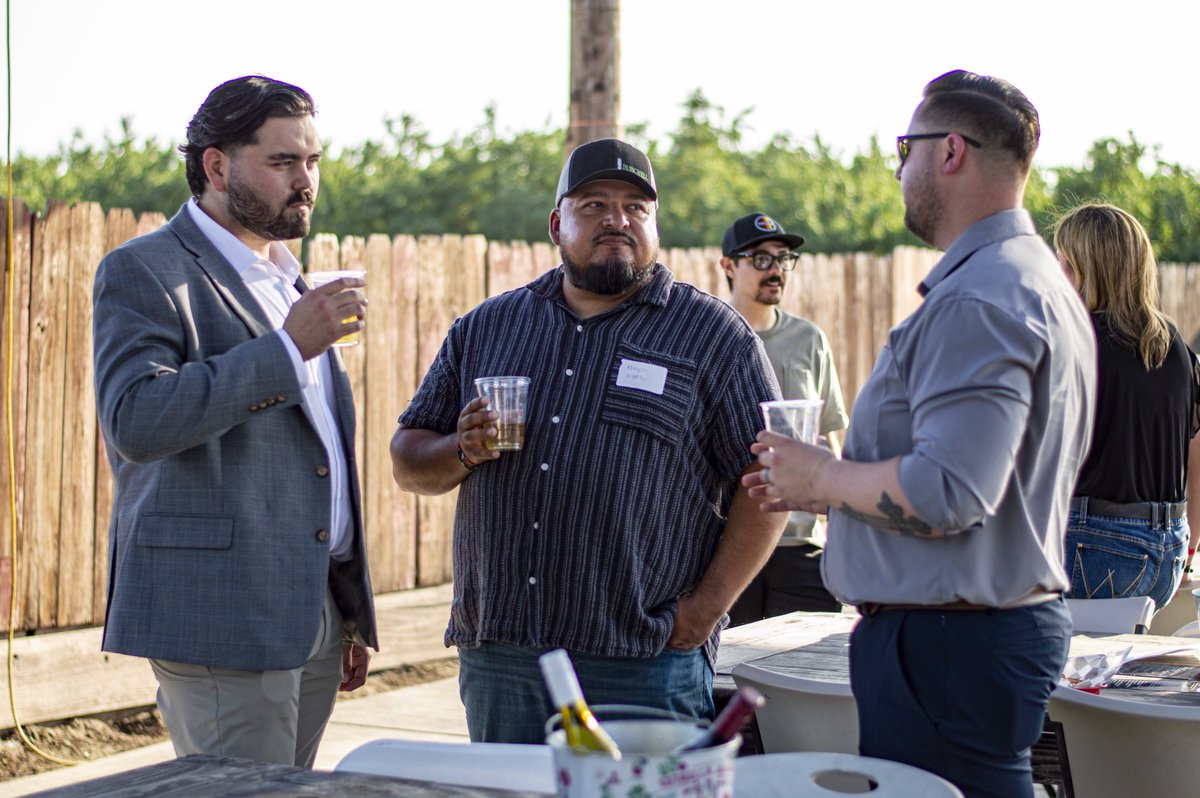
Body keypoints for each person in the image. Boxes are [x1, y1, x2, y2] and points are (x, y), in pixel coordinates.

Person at [744, 70, 1097, 798]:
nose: (899, 167)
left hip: (946, 647)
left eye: (905, 147)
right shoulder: (1034, 280)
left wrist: (821, 479)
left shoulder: (980, 296)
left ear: (951, 151)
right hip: (968, 639)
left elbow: (948, 492)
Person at [389, 138, 786, 744]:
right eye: (594, 204)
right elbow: (408, 460)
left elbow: (768, 484)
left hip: (643, 660)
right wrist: (460, 449)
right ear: (557, 223)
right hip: (505, 657)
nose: (617, 220)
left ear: (656, 224)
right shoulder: (490, 325)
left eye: (635, 207)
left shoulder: (713, 336)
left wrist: (704, 611)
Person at [93, 75, 377, 767]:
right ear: (216, 165)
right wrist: (287, 348)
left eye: (311, 161)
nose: (305, 180)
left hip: (310, 607)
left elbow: (312, 457)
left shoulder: (288, 277)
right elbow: (137, 418)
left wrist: (343, 609)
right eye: (282, 162)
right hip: (220, 612)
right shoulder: (145, 270)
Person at [1054, 203, 1200, 610]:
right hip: (1167, 557)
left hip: (1091, 553)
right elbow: (1197, 453)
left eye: (1066, 264)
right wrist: (1188, 548)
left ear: (1092, 270)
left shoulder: (1073, 341)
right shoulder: (1175, 347)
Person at [719, 212, 848, 623]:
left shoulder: (809, 340)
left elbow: (827, 438)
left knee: (803, 676)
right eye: (760, 259)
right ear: (728, 266)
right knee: (729, 680)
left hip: (800, 546)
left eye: (783, 258)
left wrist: (841, 522)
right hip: (727, 546)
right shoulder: (709, 339)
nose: (775, 269)